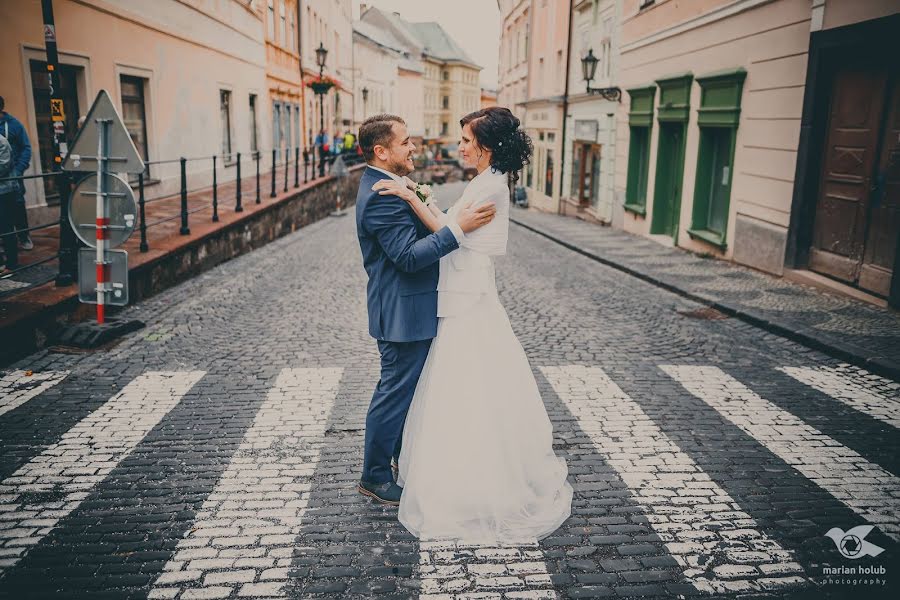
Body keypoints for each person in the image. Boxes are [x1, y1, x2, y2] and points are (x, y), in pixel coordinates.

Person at [372, 107, 573, 543]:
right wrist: (422, 198)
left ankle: (474, 480)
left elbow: (452, 233)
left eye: (466, 139)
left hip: (467, 299)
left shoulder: (492, 187)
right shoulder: (483, 182)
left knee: (467, 388)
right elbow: (451, 226)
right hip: (460, 295)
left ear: (488, 146)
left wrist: (411, 198)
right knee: (457, 386)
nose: (459, 145)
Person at [354, 113, 497, 505]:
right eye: (405, 142)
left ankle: (401, 461)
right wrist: (458, 230)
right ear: (381, 151)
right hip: (402, 314)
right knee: (394, 393)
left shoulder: (393, 184)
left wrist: (428, 205)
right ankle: (375, 476)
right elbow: (407, 258)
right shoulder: (381, 196)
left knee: (406, 393)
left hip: (411, 309)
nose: (413, 147)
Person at [0, 96, 33, 251]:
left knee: (18, 204)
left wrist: (19, 170)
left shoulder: (14, 125)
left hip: (13, 175)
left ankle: (23, 236)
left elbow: (26, 147)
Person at [0, 131, 21, 273]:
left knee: (7, 227)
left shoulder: (2, 142)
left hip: (5, 190)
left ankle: (12, 264)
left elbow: (3, 166)